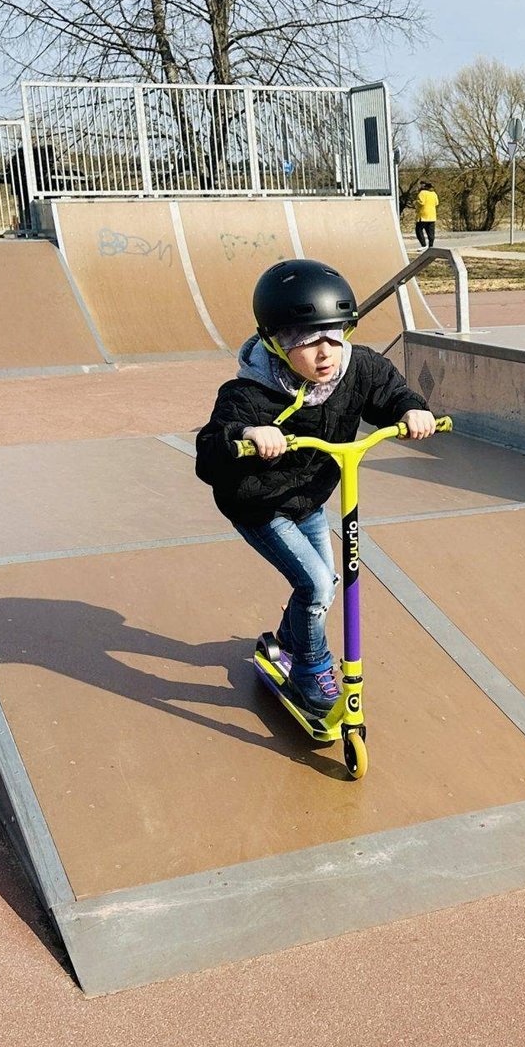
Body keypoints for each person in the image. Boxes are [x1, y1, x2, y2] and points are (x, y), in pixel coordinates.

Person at [194, 259, 436, 715]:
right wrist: (245, 436)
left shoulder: (355, 367)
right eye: (307, 342)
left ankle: (288, 639)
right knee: (317, 586)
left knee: (324, 584)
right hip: (259, 505)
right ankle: (310, 667)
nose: (325, 352)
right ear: (275, 343)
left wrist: (410, 410)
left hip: (310, 500)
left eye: (334, 335)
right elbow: (209, 450)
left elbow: (389, 390)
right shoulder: (249, 394)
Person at [414, 179, 439, 252]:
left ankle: (423, 245)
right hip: (432, 215)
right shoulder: (434, 193)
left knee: (418, 230)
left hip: (423, 215)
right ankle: (431, 246)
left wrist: (416, 202)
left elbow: (421, 202)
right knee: (430, 232)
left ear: (423, 185)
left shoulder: (422, 193)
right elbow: (436, 203)